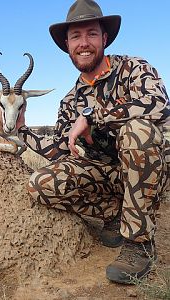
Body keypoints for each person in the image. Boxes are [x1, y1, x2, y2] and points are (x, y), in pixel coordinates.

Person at [16, 0, 170, 284]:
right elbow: (61, 148)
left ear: (104, 38)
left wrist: (94, 117)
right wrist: (22, 130)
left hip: (151, 175)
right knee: (40, 184)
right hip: (109, 177)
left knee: (137, 130)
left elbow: (159, 104)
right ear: (67, 44)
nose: (83, 43)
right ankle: (115, 213)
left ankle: (139, 243)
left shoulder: (134, 68)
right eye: (76, 36)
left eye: (91, 33)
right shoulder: (69, 101)